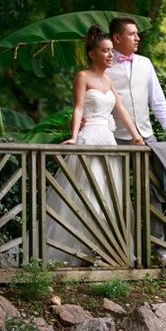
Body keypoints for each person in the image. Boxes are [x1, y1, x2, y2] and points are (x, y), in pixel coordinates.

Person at [44, 25, 144, 267]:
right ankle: (78, 250)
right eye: (106, 51)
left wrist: (137, 137)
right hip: (89, 138)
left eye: (112, 51)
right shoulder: (83, 76)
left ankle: (103, 250)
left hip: (108, 142)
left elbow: (121, 111)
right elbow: (78, 108)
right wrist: (74, 135)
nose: (111, 55)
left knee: (109, 195)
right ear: (92, 53)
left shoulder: (108, 81)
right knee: (87, 193)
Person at [107, 17, 166, 266]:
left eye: (137, 33)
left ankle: (158, 251)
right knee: (114, 193)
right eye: (131, 34)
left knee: (154, 192)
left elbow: (158, 103)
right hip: (114, 139)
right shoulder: (105, 65)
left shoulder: (145, 64)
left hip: (146, 137)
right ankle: (118, 250)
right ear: (117, 38)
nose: (137, 37)